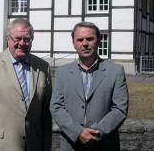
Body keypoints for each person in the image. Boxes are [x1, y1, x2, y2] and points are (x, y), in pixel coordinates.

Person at [0, 18, 52, 151]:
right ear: (8, 39)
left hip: (34, 145)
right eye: (17, 38)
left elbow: (46, 114)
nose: (22, 43)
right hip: (2, 146)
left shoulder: (43, 67)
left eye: (27, 39)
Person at [50, 22, 128, 151]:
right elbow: (56, 107)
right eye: (80, 40)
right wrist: (78, 132)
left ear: (98, 41)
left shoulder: (116, 71)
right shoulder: (62, 72)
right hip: (71, 144)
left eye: (90, 39)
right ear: (74, 43)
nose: (85, 43)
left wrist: (95, 133)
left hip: (104, 144)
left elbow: (120, 109)